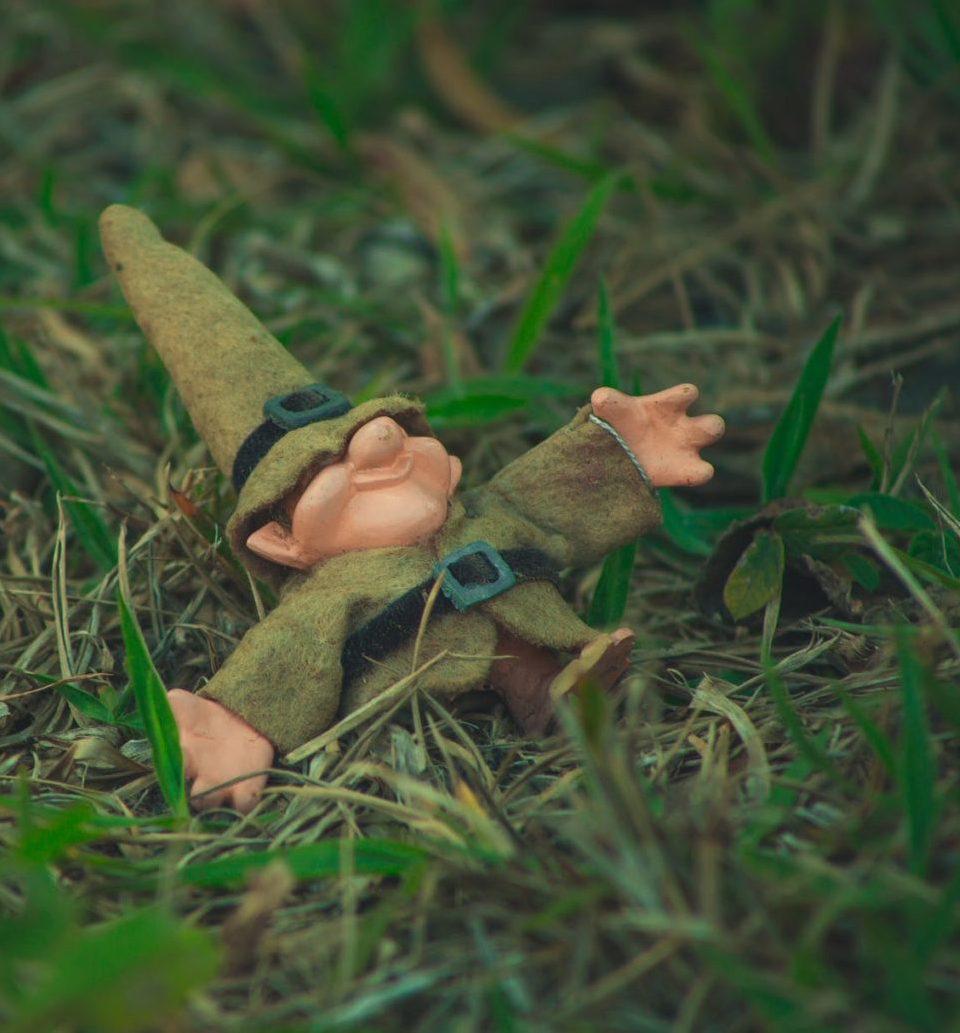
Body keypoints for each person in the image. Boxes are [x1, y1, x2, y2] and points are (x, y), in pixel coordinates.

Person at [100, 205, 724, 811]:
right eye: (326, 469)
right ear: (279, 540)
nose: (379, 443)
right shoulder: (335, 593)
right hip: (417, 684)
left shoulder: (484, 512)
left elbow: (548, 504)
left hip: (525, 636)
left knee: (535, 654)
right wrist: (234, 721)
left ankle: (554, 691)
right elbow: (289, 655)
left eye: (382, 429)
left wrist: (621, 450)